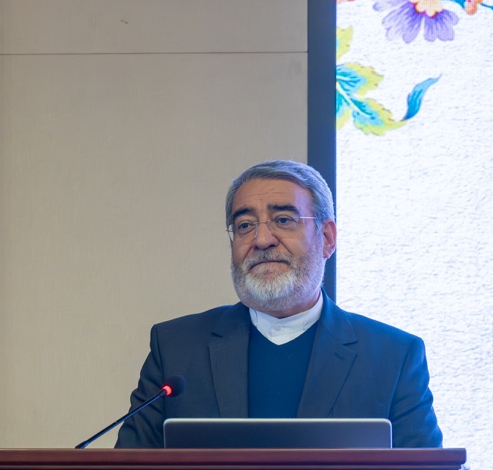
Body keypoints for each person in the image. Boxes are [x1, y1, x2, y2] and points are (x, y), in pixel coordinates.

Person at [116, 160, 442, 448]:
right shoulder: (176, 348)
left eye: (284, 220)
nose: (261, 240)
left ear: (327, 238)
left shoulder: (393, 357)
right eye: (245, 225)